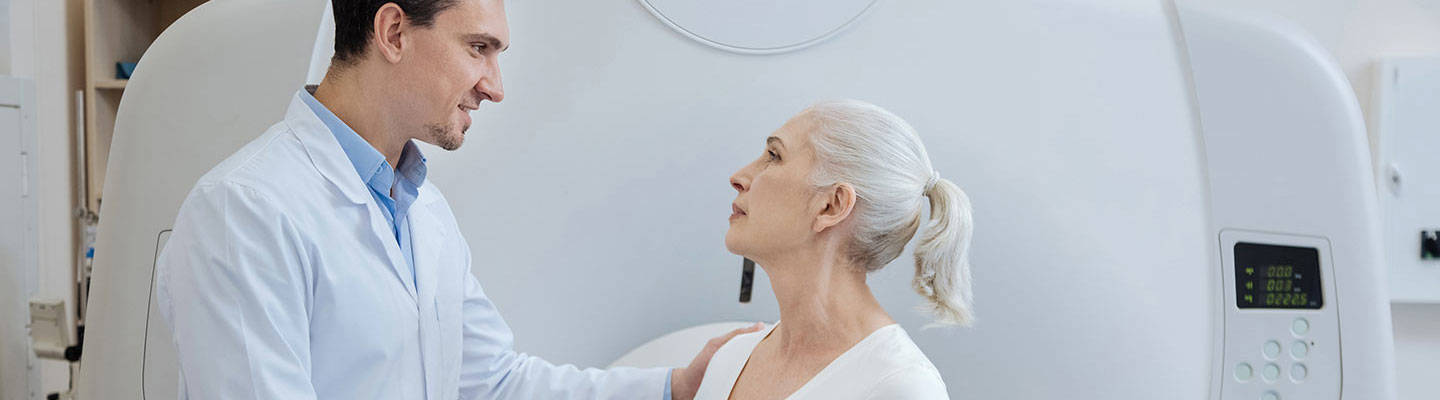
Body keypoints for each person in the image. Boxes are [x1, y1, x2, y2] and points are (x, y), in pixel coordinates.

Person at [155, 0, 756, 398]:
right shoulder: (245, 210)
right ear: (393, 33)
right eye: (478, 48)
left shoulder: (422, 211)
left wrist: (677, 386)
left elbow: (495, 383)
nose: (495, 87)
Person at [695, 100, 973, 399]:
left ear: (832, 205)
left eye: (774, 156)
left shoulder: (902, 387)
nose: (738, 177)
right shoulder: (730, 358)